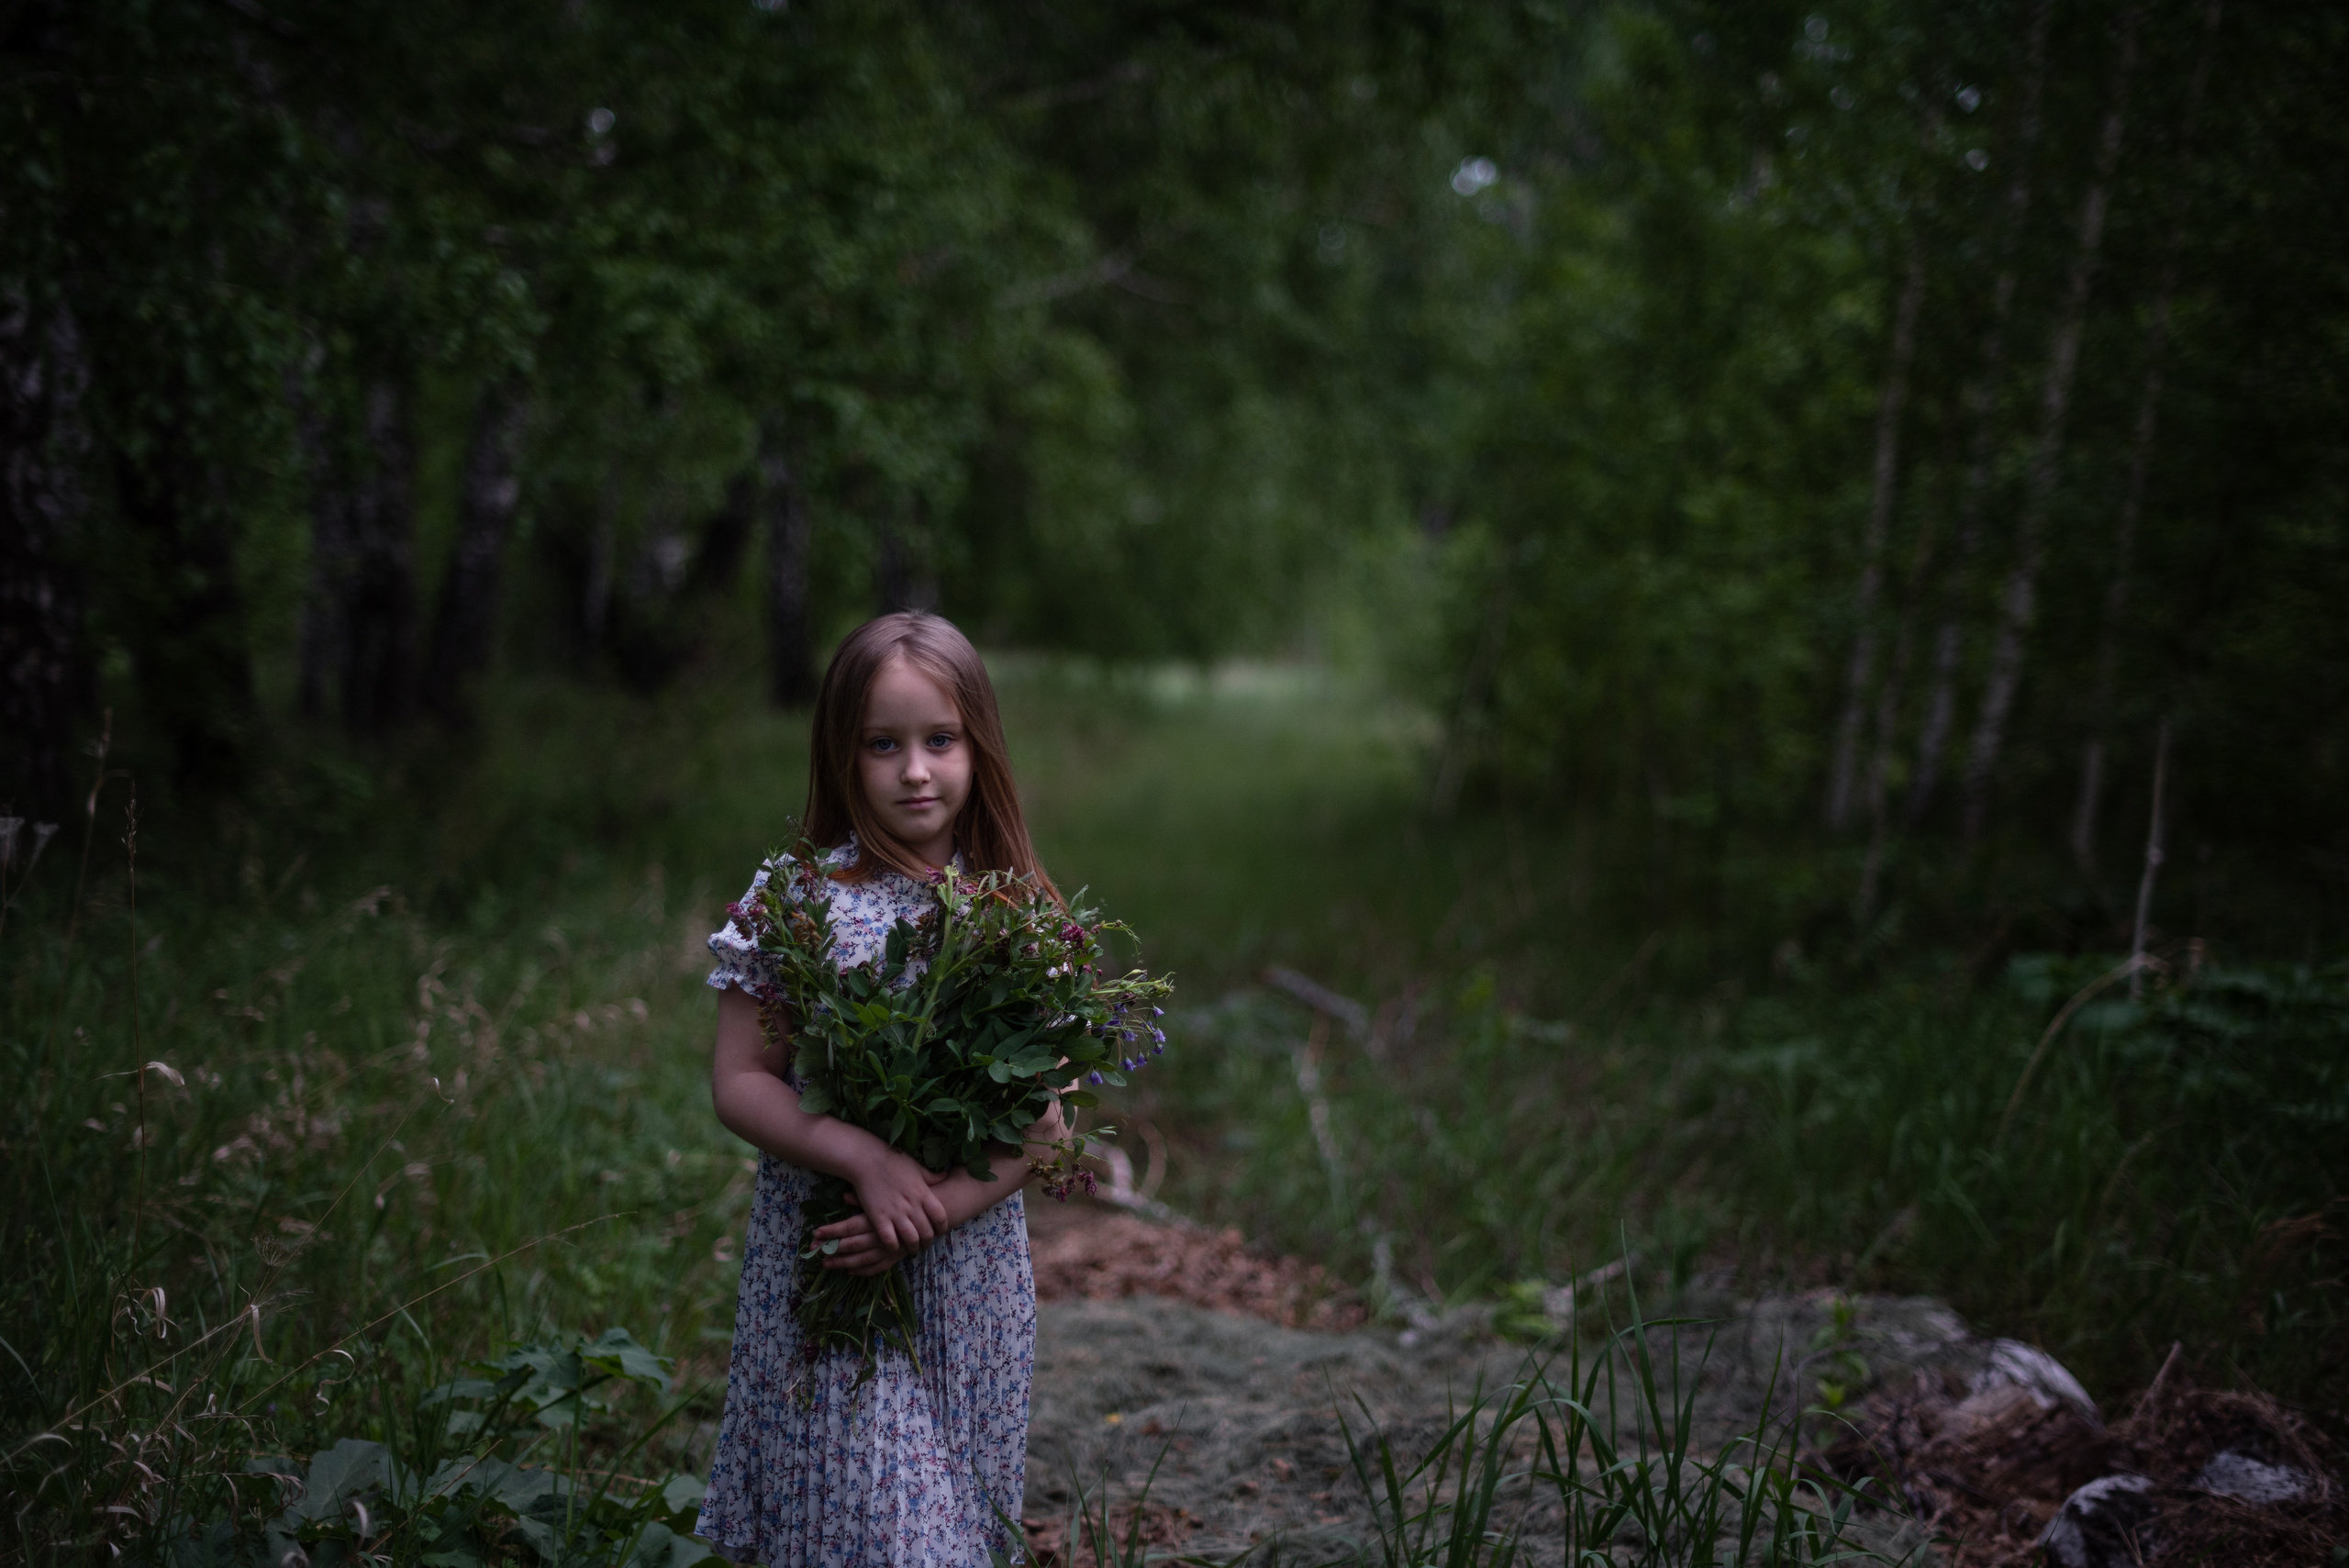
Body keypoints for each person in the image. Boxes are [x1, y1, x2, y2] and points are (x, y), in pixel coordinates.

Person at [695, 611, 1063, 1566]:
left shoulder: (1007, 911)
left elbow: (1042, 1129)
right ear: (841, 754)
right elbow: (740, 1078)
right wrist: (862, 1152)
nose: (915, 771)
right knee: (872, 1522)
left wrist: (928, 1208)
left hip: (963, 1283)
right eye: (882, 744)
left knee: (945, 1517)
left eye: (940, 740)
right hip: (825, 1262)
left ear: (977, 747)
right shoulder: (799, 901)